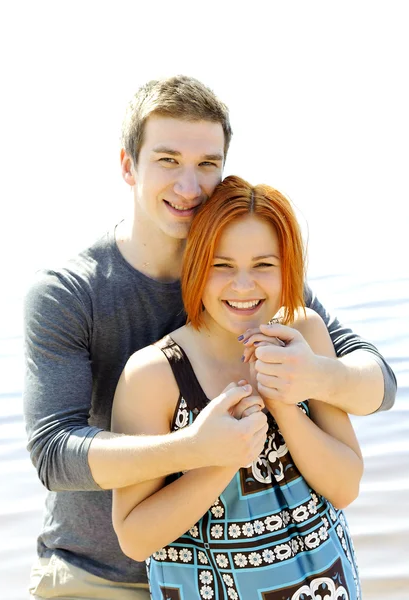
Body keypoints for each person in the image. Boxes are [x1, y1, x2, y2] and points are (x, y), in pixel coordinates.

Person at [23, 75, 395, 599]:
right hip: (101, 574)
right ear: (129, 166)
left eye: (206, 164)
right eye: (168, 160)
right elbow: (53, 453)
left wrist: (317, 377)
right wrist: (197, 449)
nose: (189, 185)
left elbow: (378, 382)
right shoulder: (71, 293)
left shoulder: (257, 285)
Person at [112, 175, 364, 599]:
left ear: (288, 267)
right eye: (221, 265)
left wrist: (284, 402)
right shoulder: (154, 375)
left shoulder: (304, 334)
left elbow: (345, 487)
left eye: (264, 265)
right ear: (195, 266)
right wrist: (222, 459)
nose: (243, 286)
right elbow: (135, 538)